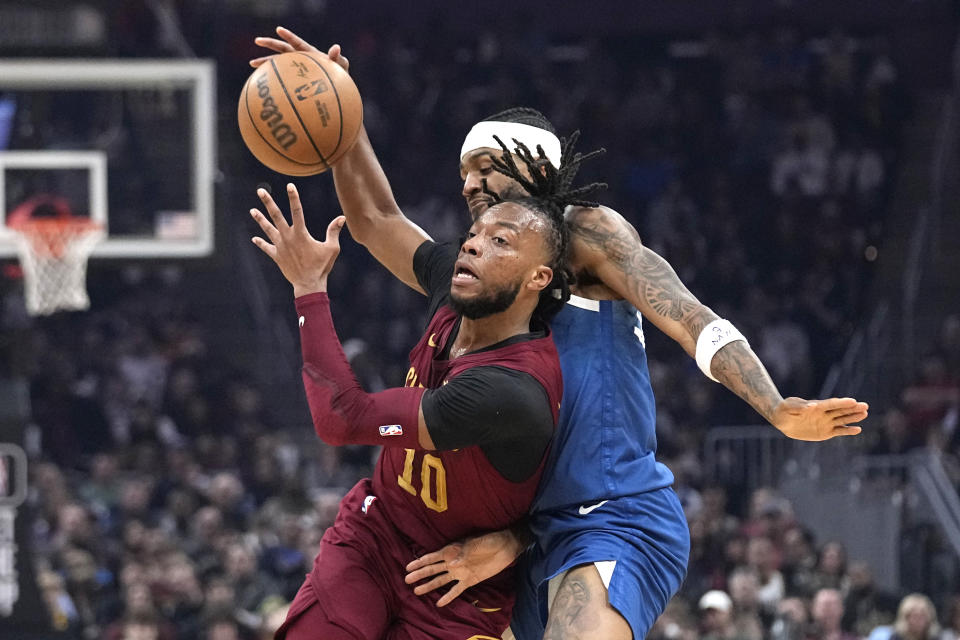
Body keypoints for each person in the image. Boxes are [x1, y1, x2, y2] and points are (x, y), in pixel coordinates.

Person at [252, 27, 870, 640]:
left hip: (608, 512)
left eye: (485, 167)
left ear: (536, 168)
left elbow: (688, 315)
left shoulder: (587, 232)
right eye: (463, 173)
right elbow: (377, 218)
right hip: (522, 532)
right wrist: (340, 115)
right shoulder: (479, 272)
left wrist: (775, 406)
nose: (467, 185)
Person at [247, 138, 600, 637]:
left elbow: (340, 419)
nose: (474, 244)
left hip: (458, 585)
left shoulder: (510, 389)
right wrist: (347, 120)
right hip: (377, 535)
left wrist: (308, 289)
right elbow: (374, 218)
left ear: (538, 277)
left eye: (501, 242)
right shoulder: (453, 286)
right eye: (474, 234)